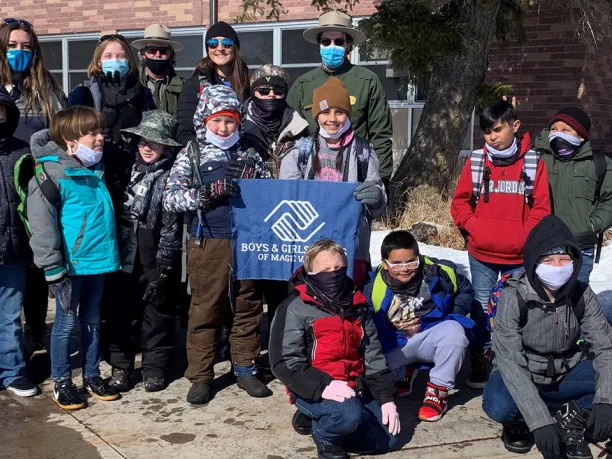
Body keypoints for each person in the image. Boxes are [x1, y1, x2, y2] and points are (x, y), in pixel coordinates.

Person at [163, 84, 273, 404]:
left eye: (230, 121)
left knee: (247, 304)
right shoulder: (192, 154)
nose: (224, 128)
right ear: (204, 121)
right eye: (217, 121)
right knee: (206, 307)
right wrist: (206, 193)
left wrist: (253, 179)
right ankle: (200, 374)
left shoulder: (250, 153)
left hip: (247, 240)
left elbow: (269, 196)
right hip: (208, 240)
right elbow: (170, 199)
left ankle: (245, 368)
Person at [482, 214, 612, 459]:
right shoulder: (513, 297)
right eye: (549, 260)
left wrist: (606, 401)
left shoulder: (582, 294)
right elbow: (509, 359)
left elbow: (605, 347)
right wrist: (540, 422)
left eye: (564, 259)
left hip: (566, 370)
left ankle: (570, 418)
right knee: (498, 404)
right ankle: (522, 419)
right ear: (533, 261)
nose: (558, 267)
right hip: (523, 372)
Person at [451, 100, 551, 390]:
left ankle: (508, 360)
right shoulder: (476, 161)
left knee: (513, 309)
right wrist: (474, 227)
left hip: (519, 256)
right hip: (481, 253)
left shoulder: (533, 163)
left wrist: (523, 236)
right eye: (486, 132)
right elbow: (460, 203)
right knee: (482, 308)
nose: (492, 137)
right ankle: (482, 358)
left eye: (498, 129)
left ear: (514, 126)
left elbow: (541, 209)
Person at [269, 239, 400, 459]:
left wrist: (386, 398)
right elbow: (284, 361)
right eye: (326, 269)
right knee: (347, 416)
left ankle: (317, 418)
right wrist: (322, 386)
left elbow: (373, 354)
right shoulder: (294, 308)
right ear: (311, 273)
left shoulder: (357, 304)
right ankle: (325, 436)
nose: (334, 274)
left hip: (353, 385)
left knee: (387, 439)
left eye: (339, 268)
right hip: (312, 386)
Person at [27, 106, 121, 409]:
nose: (99, 138)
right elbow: (42, 225)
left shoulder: (95, 168)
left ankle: (92, 375)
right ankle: (62, 382)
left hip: (98, 262)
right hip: (70, 266)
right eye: (91, 133)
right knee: (66, 324)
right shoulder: (51, 173)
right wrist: (52, 266)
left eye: (101, 131)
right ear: (69, 138)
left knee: (93, 320)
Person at [280, 77, 386, 291]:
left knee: (348, 300)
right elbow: (286, 199)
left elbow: (379, 206)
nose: (332, 119)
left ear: (348, 114)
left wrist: (376, 198)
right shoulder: (299, 151)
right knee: (309, 303)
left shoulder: (363, 151)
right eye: (326, 112)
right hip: (308, 247)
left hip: (351, 248)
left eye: (339, 112)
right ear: (317, 115)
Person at [1, 18, 67, 355]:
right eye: (13, 46)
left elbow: (63, 130)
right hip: (3, 186)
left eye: (26, 46)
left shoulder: (46, 89)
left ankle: (36, 331)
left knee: (37, 259)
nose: (19, 52)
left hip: (38, 186)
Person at [103, 110, 182, 394]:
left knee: (157, 313)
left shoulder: (173, 177)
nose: (147, 148)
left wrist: (163, 267)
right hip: (122, 252)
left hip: (154, 253)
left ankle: (154, 368)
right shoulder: (126, 170)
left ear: (167, 147)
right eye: (142, 142)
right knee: (120, 312)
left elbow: (172, 227)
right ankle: (120, 367)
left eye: (155, 143)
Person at [365, 230, 475, 422]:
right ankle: (404, 372)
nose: (405, 269)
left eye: (411, 262)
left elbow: (465, 288)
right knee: (365, 386)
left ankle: (438, 391)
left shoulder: (438, 274)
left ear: (418, 257)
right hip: (395, 344)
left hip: (428, 336)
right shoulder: (373, 285)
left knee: (454, 332)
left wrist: (455, 314)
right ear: (384, 263)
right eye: (396, 264)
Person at [286, 11, 393, 188]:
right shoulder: (303, 85)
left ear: (349, 44)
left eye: (339, 42)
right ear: (319, 45)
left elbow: (381, 135)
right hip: (313, 179)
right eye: (326, 42)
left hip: (356, 175)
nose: (332, 46)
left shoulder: (367, 81)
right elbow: (289, 136)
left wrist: (380, 182)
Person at [242, 64, 310, 327]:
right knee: (246, 294)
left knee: (283, 292)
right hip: (250, 221)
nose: (270, 96)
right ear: (253, 92)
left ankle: (278, 349)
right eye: (263, 90)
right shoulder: (235, 125)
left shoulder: (301, 129)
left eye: (278, 91)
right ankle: (244, 357)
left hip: (287, 223)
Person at [68, 33, 156, 216]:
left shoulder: (143, 94)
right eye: (108, 56)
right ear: (99, 61)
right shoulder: (84, 92)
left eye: (121, 56)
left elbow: (153, 132)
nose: (115, 60)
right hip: (96, 175)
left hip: (133, 174)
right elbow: (72, 136)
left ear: (130, 60)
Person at [534, 108, 612, 293]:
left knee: (576, 300)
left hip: (580, 247)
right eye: (553, 128)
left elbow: (609, 200)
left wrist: (593, 224)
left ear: (582, 136)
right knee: (542, 301)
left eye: (565, 129)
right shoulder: (538, 159)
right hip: (543, 245)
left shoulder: (600, 163)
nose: (557, 133)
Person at [0, 85, 38, 397]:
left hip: (13, 248)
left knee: (10, 315)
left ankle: (12, 371)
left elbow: (33, 199)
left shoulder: (21, 152)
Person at [176, 21, 249, 146]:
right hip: (206, 156)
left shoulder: (245, 82)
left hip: (239, 153)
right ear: (208, 49)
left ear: (235, 48)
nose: (220, 49)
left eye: (226, 44)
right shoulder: (195, 85)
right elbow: (184, 132)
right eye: (213, 44)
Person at [132, 24, 184, 118]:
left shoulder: (184, 87)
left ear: (170, 54)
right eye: (152, 50)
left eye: (163, 50)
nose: (158, 54)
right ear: (143, 53)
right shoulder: (131, 83)